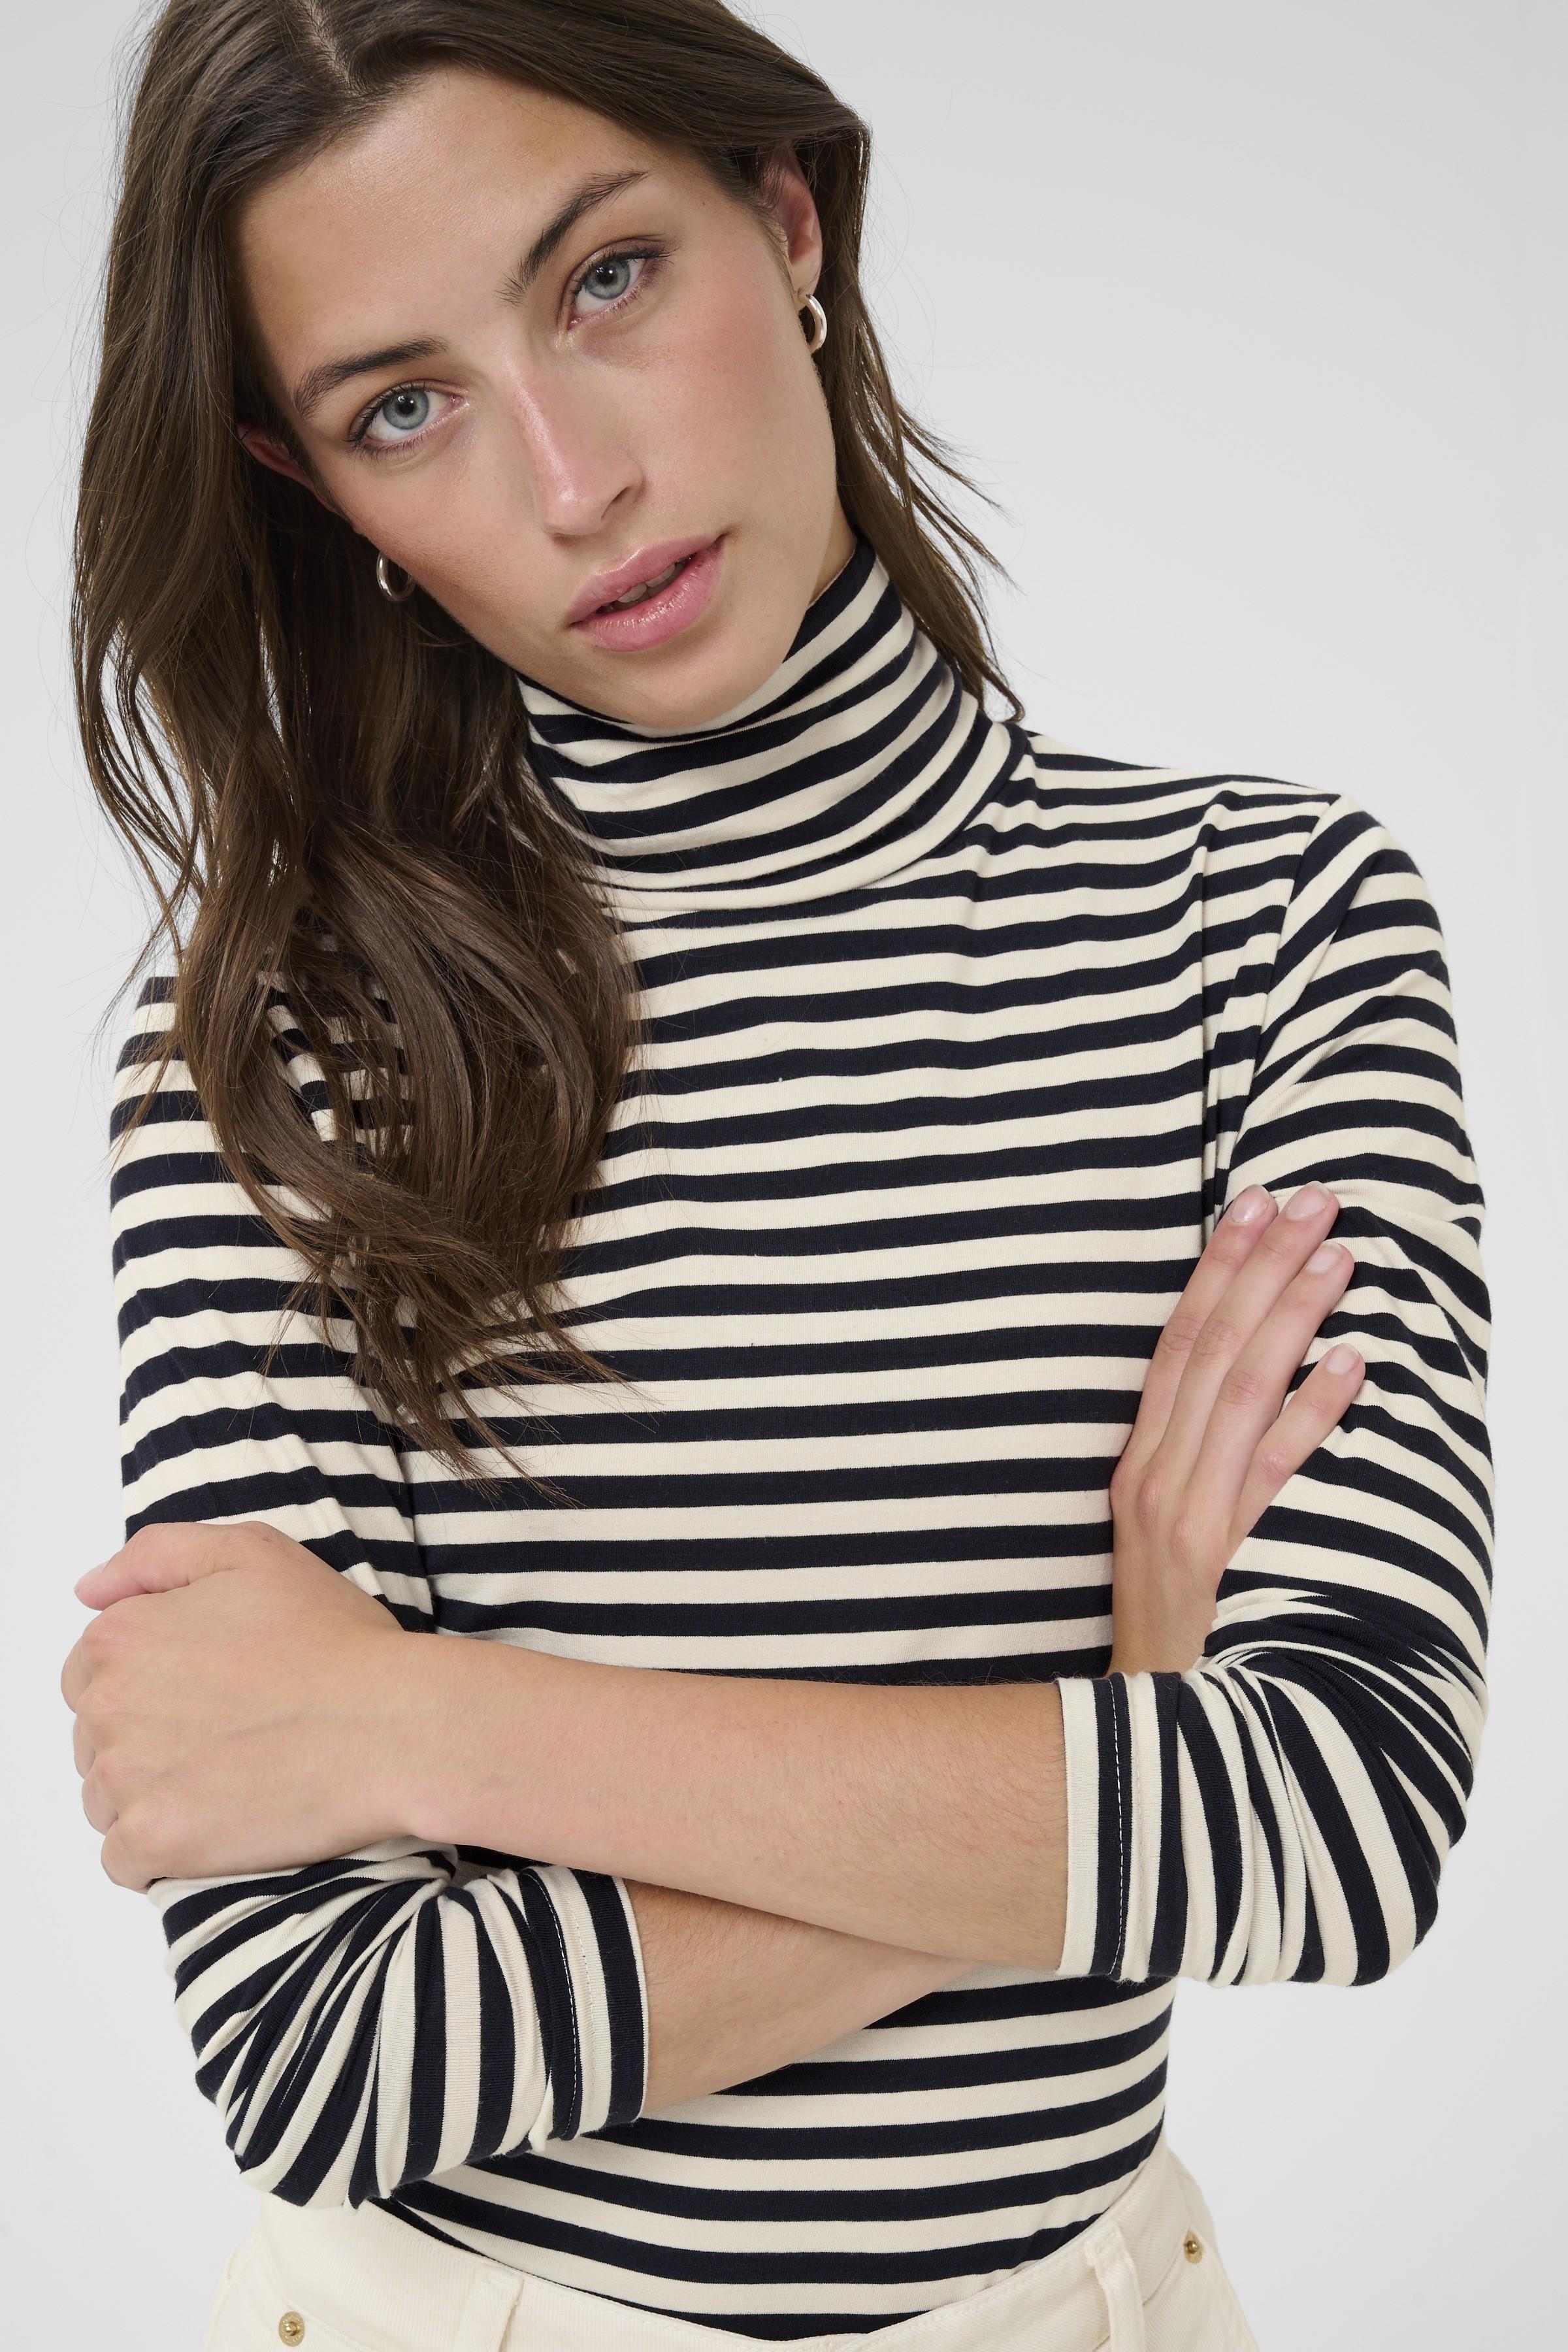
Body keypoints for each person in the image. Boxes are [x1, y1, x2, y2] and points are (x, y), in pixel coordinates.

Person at [59, 5, 1494, 2349]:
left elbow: (1336, 1822)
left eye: (605, 277)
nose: (575, 482)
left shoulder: (1263, 932)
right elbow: (329, 2054)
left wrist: (416, 1719)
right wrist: (1117, 1724)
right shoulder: (281, 1059)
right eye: (403, 406)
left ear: (788, 216)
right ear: (312, 484)